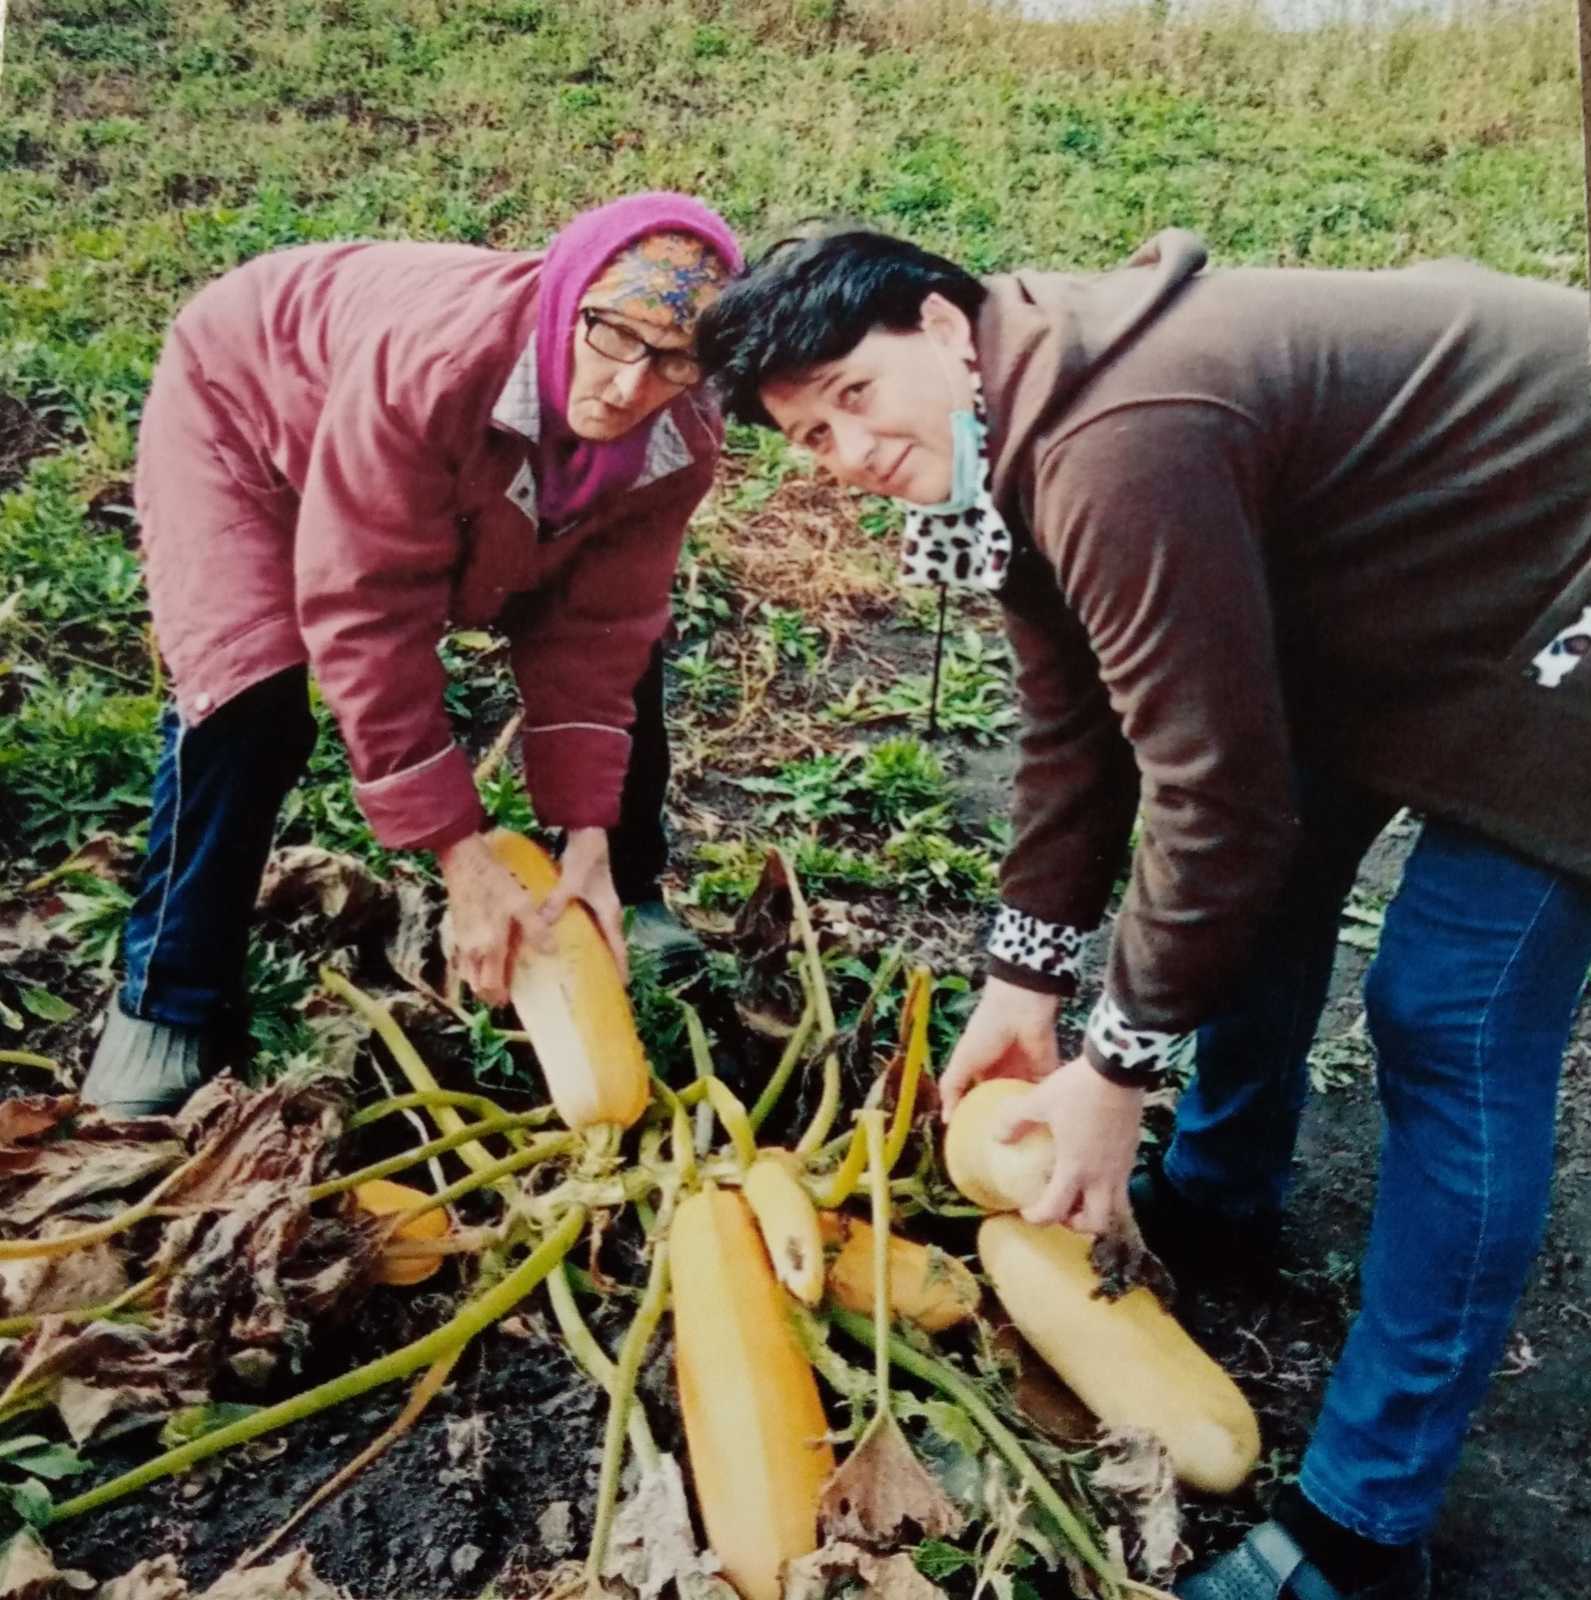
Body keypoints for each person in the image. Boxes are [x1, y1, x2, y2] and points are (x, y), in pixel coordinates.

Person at [697, 226, 1591, 1600]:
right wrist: (1021, 984)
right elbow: (1072, 732)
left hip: (1560, 573)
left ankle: (1361, 1532)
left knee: (1446, 1017)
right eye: (809, 440)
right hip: (1423, 570)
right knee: (1271, 891)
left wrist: (1115, 1068)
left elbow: (1208, 801)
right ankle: (1219, 1200)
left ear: (940, 327)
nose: (847, 452)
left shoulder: (1116, 437)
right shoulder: (1005, 429)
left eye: (853, 397)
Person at [82, 193, 741, 1119]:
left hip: (457, 465)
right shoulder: (431, 370)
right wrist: (459, 859)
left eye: (678, 359)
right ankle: (166, 997)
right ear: (567, 302)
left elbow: (602, 625)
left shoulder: (677, 437)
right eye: (613, 335)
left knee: (631, 658)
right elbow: (370, 614)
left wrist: (585, 833)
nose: (632, 385)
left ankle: (624, 887)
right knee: (245, 695)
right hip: (249, 402)